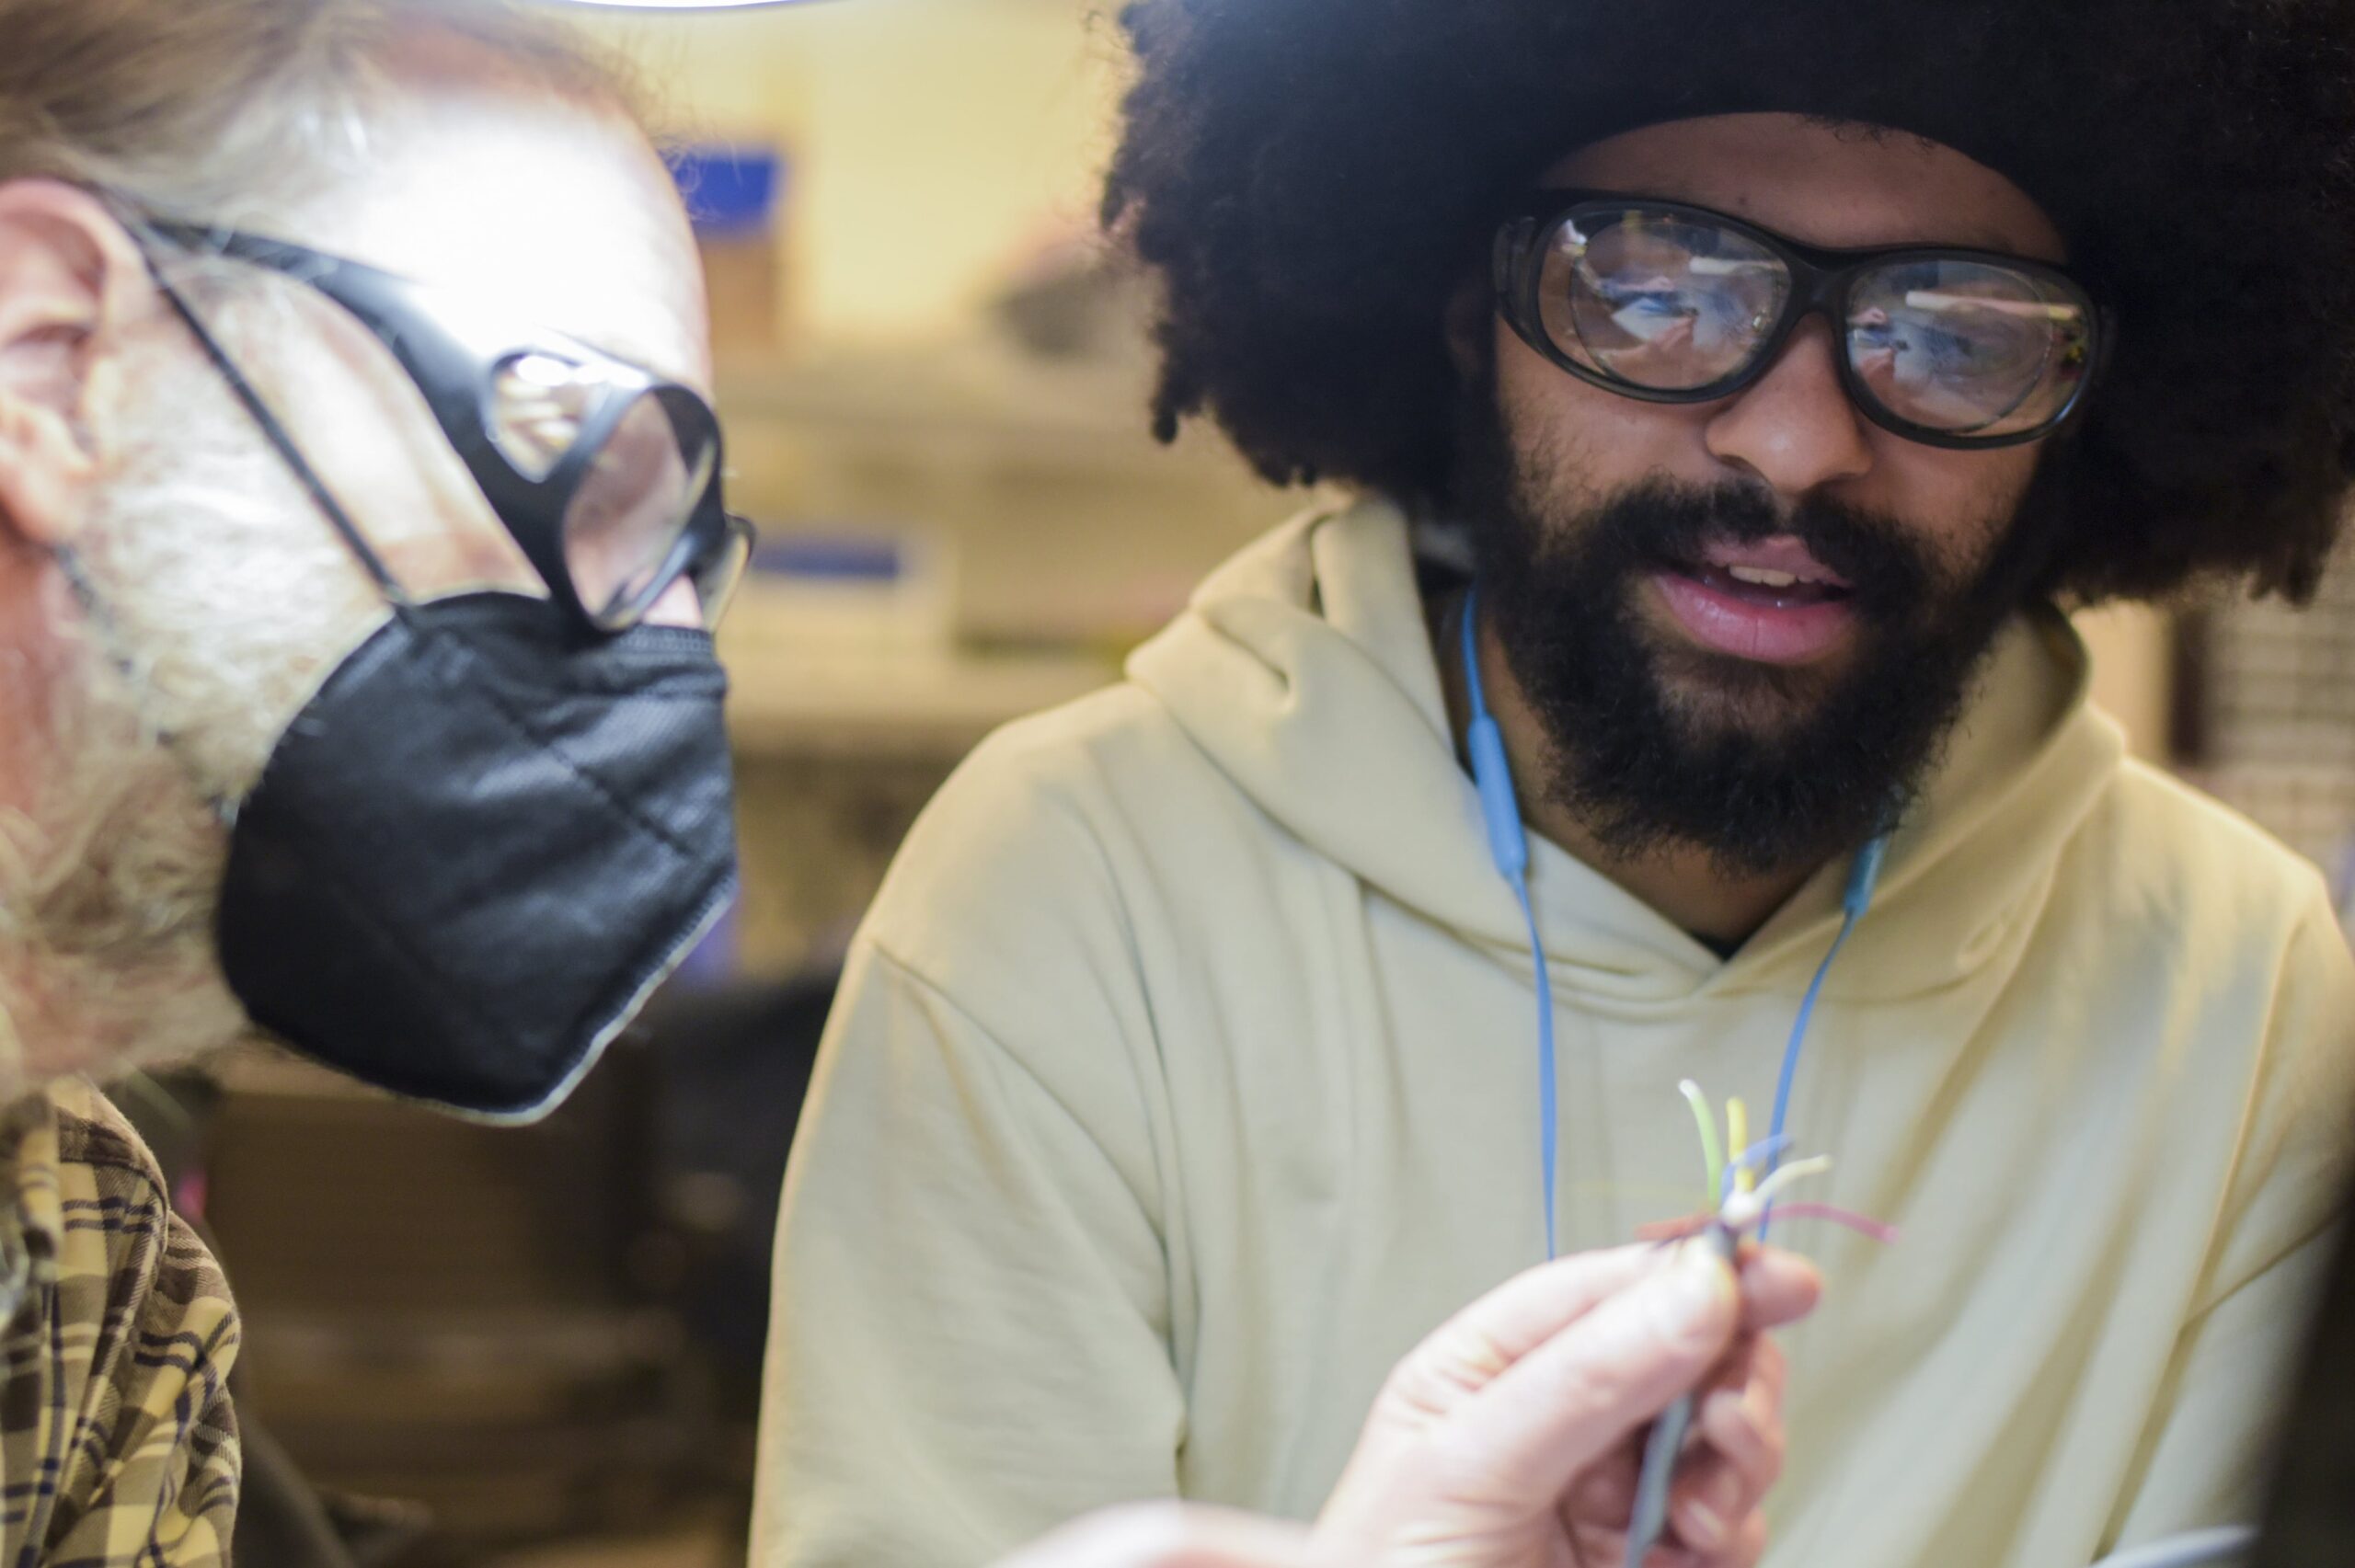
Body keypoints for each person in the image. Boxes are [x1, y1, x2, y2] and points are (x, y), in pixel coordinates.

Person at [0, 2, 1823, 1563]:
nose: (645, 660)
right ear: (49, 359)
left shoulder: (80, 1248)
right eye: (564, 456)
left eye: (680, 547)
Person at [755, 3, 2355, 1567]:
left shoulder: (2242, 981)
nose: (1795, 445)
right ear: (1472, 307)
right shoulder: (1071, 894)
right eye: (1653, 292)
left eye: (1951, 338)